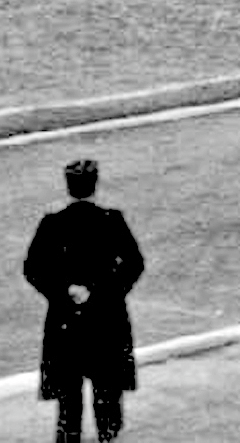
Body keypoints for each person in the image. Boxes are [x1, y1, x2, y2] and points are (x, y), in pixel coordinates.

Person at [24, 159, 145, 443]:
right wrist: (100, 292)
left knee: (68, 401)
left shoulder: (53, 223)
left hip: (66, 318)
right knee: (107, 395)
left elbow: (33, 269)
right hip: (105, 317)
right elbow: (134, 264)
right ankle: (107, 436)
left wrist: (63, 292)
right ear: (95, 184)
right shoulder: (111, 220)